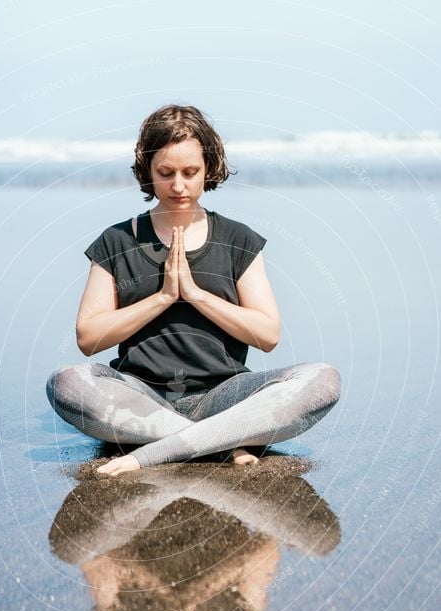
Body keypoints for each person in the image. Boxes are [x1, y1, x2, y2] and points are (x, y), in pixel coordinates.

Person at [46, 104, 341, 477]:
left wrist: (197, 294)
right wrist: (164, 297)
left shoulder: (238, 240)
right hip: (140, 399)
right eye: (165, 173)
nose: (179, 186)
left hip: (225, 396)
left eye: (190, 172)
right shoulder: (116, 241)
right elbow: (88, 338)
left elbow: (268, 335)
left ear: (209, 169)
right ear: (147, 171)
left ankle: (161, 449)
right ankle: (218, 443)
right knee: (67, 382)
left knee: (323, 380)